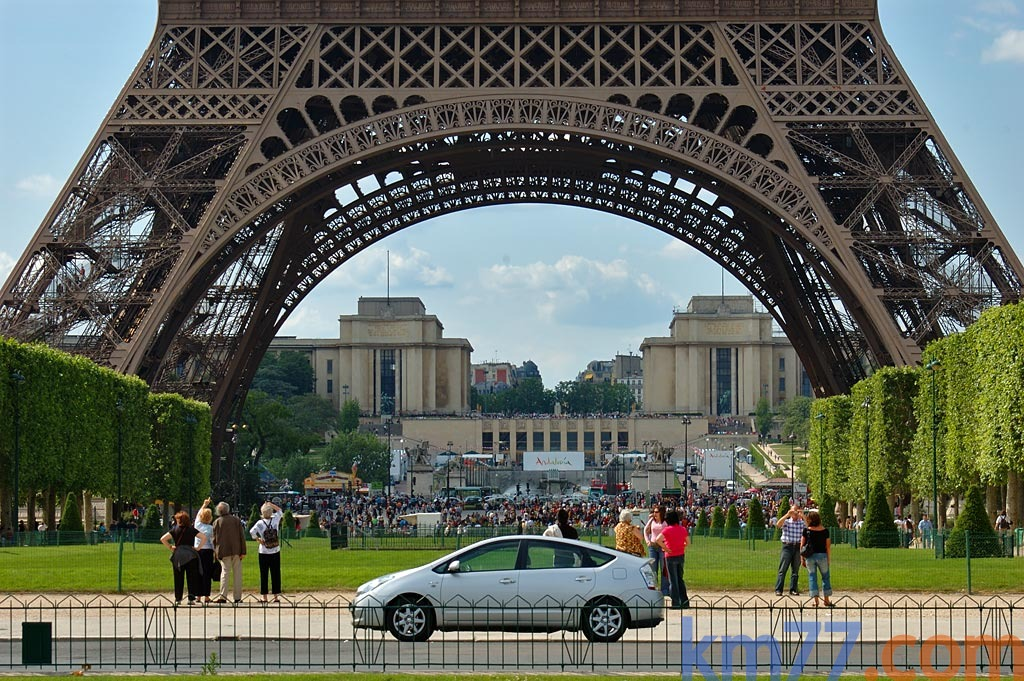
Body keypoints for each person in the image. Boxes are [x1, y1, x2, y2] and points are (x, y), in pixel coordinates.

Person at [161, 511, 208, 606]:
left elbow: (163, 539)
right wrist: (198, 548)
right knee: (192, 578)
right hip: (191, 555)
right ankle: (191, 598)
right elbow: (203, 538)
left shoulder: (174, 529)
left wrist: (170, 547)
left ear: (179, 520)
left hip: (178, 555)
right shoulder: (191, 529)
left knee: (178, 577)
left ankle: (178, 598)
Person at [212, 501, 247, 604]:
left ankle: (223, 596)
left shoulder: (217, 522)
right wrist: (243, 551)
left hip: (223, 551)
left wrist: (215, 552)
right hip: (237, 550)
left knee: (225, 573)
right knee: (237, 574)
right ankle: (237, 597)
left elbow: (214, 539)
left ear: (219, 511)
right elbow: (242, 536)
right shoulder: (236, 520)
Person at [655, 509, 689, 609]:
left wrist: (665, 548)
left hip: (670, 556)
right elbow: (688, 542)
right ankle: (685, 601)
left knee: (673, 580)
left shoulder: (667, 530)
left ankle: (676, 603)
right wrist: (682, 545)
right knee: (680, 579)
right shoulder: (683, 529)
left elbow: (658, 540)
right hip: (680, 555)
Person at [799, 509, 833, 608]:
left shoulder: (807, 531)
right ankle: (826, 600)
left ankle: (816, 600)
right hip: (822, 555)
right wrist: (828, 558)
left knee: (812, 578)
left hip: (810, 556)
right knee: (825, 577)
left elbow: (802, 545)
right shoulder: (825, 531)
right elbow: (828, 546)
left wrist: (802, 558)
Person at [251, 502, 283, 603]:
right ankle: (276, 596)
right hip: (275, 550)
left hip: (263, 551)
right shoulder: (275, 520)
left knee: (263, 574)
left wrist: (258, 539)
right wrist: (271, 504)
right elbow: (280, 511)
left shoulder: (260, 523)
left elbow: (252, 532)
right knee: (276, 573)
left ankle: (264, 596)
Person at [774, 501, 806, 596]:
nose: (795, 513)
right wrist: (787, 515)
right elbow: (778, 525)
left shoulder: (801, 523)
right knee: (783, 569)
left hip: (797, 547)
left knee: (795, 570)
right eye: (793, 511)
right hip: (787, 546)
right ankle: (779, 589)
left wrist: (803, 516)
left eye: (796, 511)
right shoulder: (787, 522)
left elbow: (809, 527)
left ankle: (793, 589)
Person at [643, 505, 670, 598]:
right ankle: (654, 589)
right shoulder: (652, 521)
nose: (654, 514)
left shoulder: (665, 522)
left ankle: (664, 590)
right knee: (653, 569)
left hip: (662, 546)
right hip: (653, 546)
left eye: (656, 512)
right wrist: (647, 540)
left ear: (661, 513)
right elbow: (645, 530)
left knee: (663, 569)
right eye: (654, 512)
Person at [194, 498, 216, 604]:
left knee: (198, 573)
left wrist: (204, 505)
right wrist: (215, 552)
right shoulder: (211, 529)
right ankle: (206, 596)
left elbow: (198, 514)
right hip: (207, 552)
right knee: (207, 574)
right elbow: (212, 542)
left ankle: (198, 596)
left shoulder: (197, 525)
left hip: (197, 551)